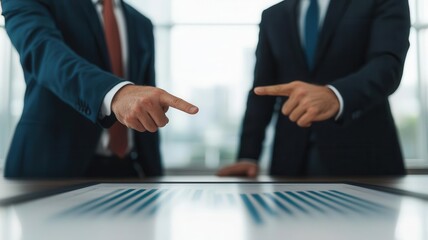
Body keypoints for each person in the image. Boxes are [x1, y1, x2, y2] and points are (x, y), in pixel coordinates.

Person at [2, 0, 198, 178]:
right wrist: (116, 94)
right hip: (49, 169)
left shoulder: (141, 23)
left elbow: (145, 105)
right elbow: (46, 56)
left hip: (127, 173)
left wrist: (155, 177)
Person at [218, 0, 410, 177]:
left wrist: (336, 95)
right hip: (288, 164)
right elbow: (263, 91)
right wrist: (248, 156)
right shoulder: (273, 15)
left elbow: (387, 65)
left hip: (365, 161)